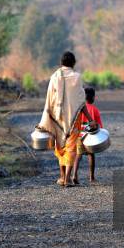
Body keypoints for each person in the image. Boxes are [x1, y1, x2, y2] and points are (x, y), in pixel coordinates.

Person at [37, 51, 97, 187]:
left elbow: (49, 98)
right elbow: (81, 102)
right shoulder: (77, 77)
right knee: (71, 147)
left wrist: (48, 116)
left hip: (57, 117)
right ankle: (68, 178)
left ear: (61, 63)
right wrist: (90, 119)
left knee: (60, 146)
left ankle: (62, 176)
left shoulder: (54, 76)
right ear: (73, 63)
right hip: (74, 118)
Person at [72, 86, 103, 185]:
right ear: (93, 97)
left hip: (79, 135)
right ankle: (91, 177)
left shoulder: (80, 108)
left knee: (78, 155)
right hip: (90, 137)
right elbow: (99, 126)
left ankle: (74, 175)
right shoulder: (95, 110)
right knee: (91, 155)